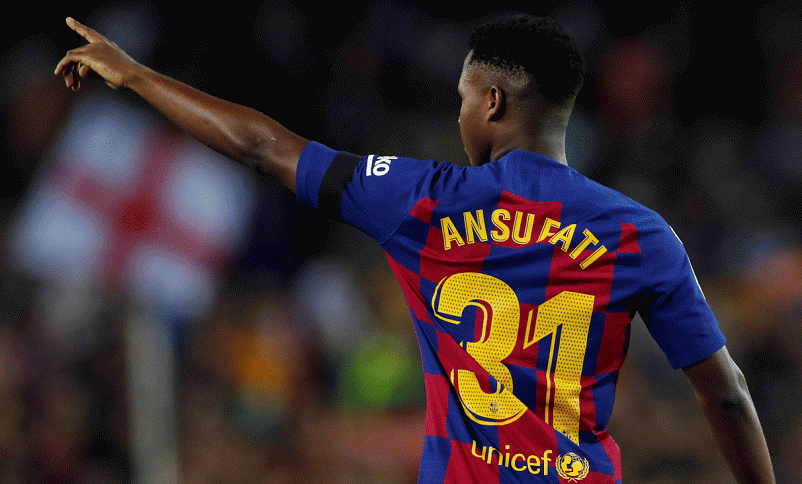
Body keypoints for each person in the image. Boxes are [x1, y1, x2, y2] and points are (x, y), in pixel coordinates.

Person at [55, 13, 776, 483]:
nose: (460, 114)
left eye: (463, 97)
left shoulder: (423, 200)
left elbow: (262, 146)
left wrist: (136, 74)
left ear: (491, 102)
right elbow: (728, 393)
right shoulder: (641, 233)